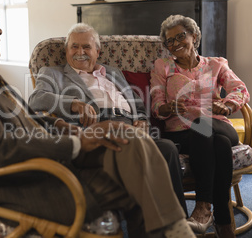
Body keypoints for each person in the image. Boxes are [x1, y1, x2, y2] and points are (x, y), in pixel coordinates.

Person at [0, 0, 194, 238]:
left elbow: (24, 117)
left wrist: (57, 124)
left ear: (98, 51)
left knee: (131, 140)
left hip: (57, 151)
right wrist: (76, 139)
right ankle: (176, 228)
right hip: (30, 184)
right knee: (139, 166)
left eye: (87, 47)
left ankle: (175, 227)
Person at [28, 22, 187, 216]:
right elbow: (35, 100)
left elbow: (136, 103)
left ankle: (178, 221)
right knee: (147, 154)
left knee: (168, 149)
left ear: (97, 50)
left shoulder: (112, 72)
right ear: (66, 50)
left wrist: (142, 120)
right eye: (74, 46)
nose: (80, 52)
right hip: (98, 130)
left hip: (131, 127)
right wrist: (74, 103)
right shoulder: (53, 73)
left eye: (86, 46)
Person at [150, 14, 250, 238]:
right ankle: (223, 221)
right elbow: (157, 105)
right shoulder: (162, 67)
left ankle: (204, 206)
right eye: (170, 41)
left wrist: (228, 105)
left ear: (194, 36)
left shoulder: (216, 64)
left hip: (218, 125)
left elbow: (240, 89)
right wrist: (170, 107)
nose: (175, 44)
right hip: (181, 135)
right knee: (220, 145)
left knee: (204, 124)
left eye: (180, 37)